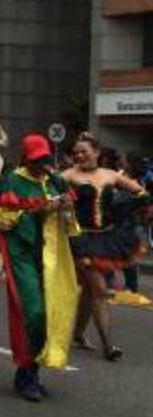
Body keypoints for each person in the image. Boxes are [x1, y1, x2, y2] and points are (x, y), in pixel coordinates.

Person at [0, 134, 80, 402]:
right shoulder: (14, 180)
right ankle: (26, 373)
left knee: (52, 310)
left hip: (50, 255)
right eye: (36, 160)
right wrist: (38, 210)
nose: (41, 164)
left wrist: (64, 206)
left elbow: (69, 214)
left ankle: (30, 374)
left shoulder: (54, 180)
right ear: (25, 159)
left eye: (44, 159)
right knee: (33, 312)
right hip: (22, 255)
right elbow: (3, 219)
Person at [60, 133, 148, 360]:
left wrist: (129, 206)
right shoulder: (68, 175)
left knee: (90, 290)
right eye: (76, 153)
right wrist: (62, 203)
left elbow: (140, 191)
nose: (79, 156)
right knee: (99, 289)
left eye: (84, 151)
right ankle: (109, 346)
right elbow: (48, 193)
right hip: (81, 239)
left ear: (97, 153)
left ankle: (78, 333)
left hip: (107, 238)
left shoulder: (110, 175)